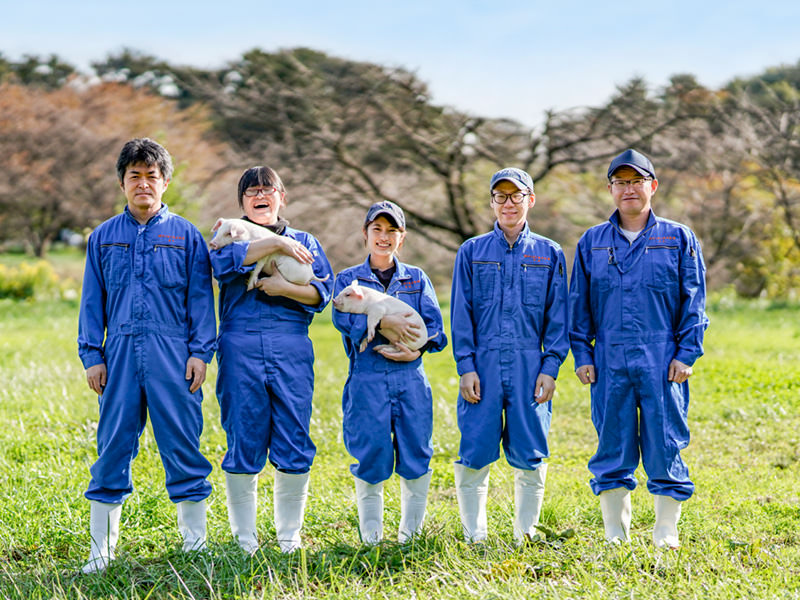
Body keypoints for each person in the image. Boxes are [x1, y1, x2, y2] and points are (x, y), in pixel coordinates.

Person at [77, 138, 217, 573]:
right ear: (121, 183)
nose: (143, 184)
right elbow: (92, 301)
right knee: (112, 445)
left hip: (174, 355)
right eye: (134, 176)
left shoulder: (187, 236)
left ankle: (195, 543)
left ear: (165, 182)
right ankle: (101, 551)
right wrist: (92, 355)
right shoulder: (103, 238)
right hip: (118, 355)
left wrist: (200, 353)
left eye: (151, 176)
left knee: (183, 442)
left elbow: (201, 300)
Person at [568, 149, 708, 548]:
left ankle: (665, 531)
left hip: (662, 357)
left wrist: (686, 353)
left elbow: (694, 300)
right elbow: (578, 304)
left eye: (637, 181)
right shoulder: (592, 242)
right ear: (610, 189)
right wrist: (583, 355)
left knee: (665, 440)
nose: (629, 189)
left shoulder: (678, 238)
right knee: (612, 441)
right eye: (621, 182)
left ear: (653, 186)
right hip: (608, 357)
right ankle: (616, 532)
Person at [209, 166, 334, 554]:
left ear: (282, 197)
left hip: (291, 345)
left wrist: (284, 288)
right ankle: (245, 537)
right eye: (252, 191)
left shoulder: (306, 241)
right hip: (240, 345)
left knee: (295, 432)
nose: (260, 196)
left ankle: (288, 535)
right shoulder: (232, 234)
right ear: (242, 202)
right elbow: (222, 265)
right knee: (242, 431)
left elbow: (324, 293)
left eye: (268, 189)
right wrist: (277, 244)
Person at [450, 168, 569, 544]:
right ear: (491, 203)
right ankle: (475, 536)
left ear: (530, 200)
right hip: (482, 364)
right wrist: (466, 366)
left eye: (516, 196)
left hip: (529, 364)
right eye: (500, 197)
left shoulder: (550, 253)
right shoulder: (472, 252)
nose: (508, 204)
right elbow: (461, 313)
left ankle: (525, 534)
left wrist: (550, 367)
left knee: (531, 449)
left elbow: (558, 317)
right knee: (474, 448)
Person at [332, 201, 447, 544]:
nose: (384, 237)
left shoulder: (417, 278)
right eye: (377, 230)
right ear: (365, 234)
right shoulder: (349, 280)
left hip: (410, 376)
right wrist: (385, 322)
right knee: (370, 450)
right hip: (367, 376)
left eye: (392, 231)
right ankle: (372, 538)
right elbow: (342, 317)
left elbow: (435, 328)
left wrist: (418, 349)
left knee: (416, 449)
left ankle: (410, 536)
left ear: (402, 237)